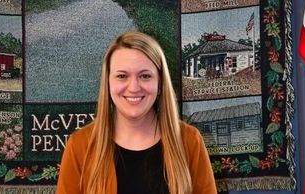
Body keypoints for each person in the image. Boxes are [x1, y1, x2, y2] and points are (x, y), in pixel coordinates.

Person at [56, 31, 217, 194]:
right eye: (122, 76)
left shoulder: (190, 141)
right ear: (108, 82)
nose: (133, 88)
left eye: (145, 76)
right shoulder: (79, 146)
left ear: (160, 83)